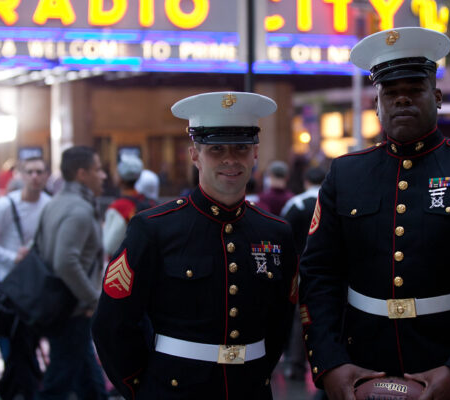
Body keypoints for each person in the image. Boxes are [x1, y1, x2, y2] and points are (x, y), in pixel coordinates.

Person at [299, 27, 450, 400]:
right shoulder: (346, 173)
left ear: (436, 97)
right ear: (376, 103)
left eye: (414, 90)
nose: (402, 100)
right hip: (363, 367)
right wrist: (329, 364)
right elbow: (318, 275)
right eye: (390, 93)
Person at [92, 91, 297, 399]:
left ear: (255, 154)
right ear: (194, 155)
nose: (230, 159)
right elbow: (112, 324)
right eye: (216, 149)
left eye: (242, 148)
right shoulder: (155, 228)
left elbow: (281, 322)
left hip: (250, 388)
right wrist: (143, 387)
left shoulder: (276, 232)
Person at [0, 156, 51, 400]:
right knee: (19, 342)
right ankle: (18, 390)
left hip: (35, 285)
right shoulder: (5, 205)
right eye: (30, 172)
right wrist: (10, 257)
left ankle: (7, 389)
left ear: (47, 175)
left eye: (39, 172)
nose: (35, 177)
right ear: (20, 175)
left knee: (25, 343)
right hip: (9, 285)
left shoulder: (48, 204)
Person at [34, 146, 107, 400]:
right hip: (73, 308)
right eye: (98, 169)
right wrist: (93, 298)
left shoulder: (54, 203)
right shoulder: (79, 209)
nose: (104, 176)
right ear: (82, 173)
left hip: (61, 305)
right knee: (59, 381)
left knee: (87, 379)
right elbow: (65, 261)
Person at [280, 166, 327, 380]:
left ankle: (296, 365)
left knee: (301, 317)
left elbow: (283, 236)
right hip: (333, 269)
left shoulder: (297, 204)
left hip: (301, 268)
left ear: (306, 180)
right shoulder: (331, 200)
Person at [102, 156, 156, 258]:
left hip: (123, 268)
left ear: (120, 178)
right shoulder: (148, 202)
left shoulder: (118, 207)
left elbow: (109, 246)